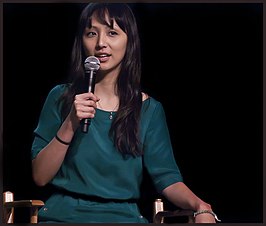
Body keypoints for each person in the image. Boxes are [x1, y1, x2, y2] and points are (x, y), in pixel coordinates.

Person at [31, 3, 219, 223]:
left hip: (124, 217)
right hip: (63, 216)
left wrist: (200, 205)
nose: (101, 43)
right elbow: (40, 176)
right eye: (92, 33)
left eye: (112, 33)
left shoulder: (148, 109)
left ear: (129, 41)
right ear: (81, 42)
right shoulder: (61, 98)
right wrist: (71, 122)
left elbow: (166, 177)